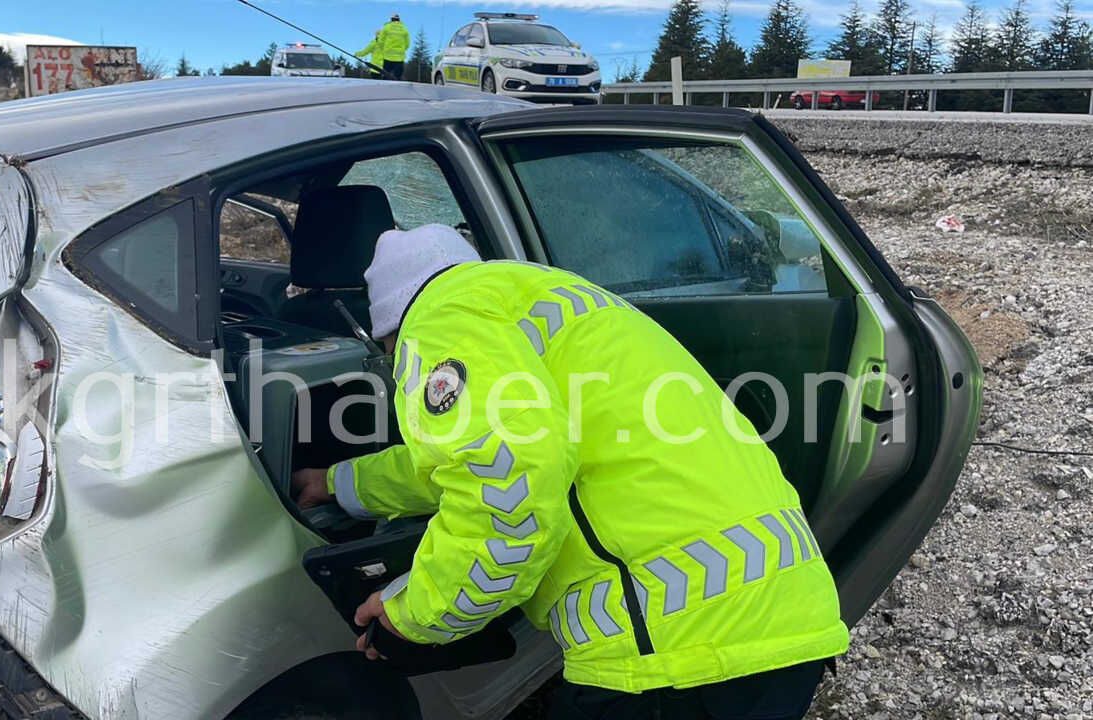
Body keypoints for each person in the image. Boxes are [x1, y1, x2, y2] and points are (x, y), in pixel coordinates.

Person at [294, 224, 849, 719]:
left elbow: (507, 485)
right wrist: (337, 484)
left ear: (390, 328)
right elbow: (461, 457)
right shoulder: (554, 300)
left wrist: (415, 614)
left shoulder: (441, 319)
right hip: (784, 615)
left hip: (675, 652)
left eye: (390, 353)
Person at [357, 13, 409, 80]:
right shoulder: (404, 29)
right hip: (396, 61)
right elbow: (407, 44)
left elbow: (364, 52)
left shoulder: (375, 43)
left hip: (376, 69)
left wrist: (356, 54)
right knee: (395, 79)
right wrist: (401, 50)